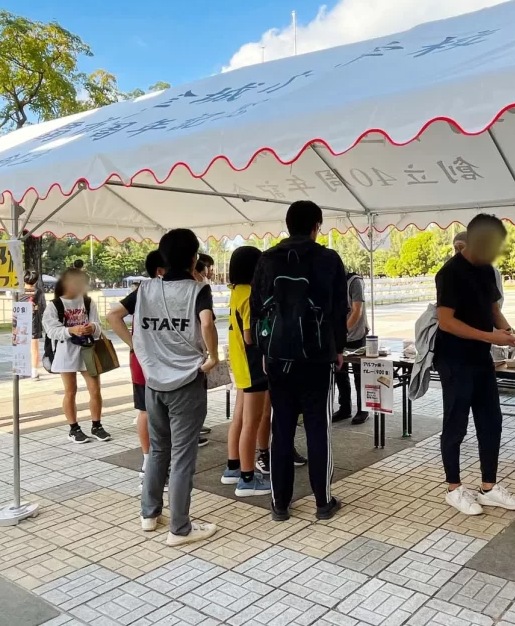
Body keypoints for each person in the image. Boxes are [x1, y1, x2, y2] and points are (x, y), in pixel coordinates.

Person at [107, 228, 219, 546]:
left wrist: (137, 347)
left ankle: (149, 513)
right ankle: (180, 528)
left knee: (158, 450)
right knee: (183, 456)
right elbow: (207, 322)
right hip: (187, 381)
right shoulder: (198, 290)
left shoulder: (145, 289)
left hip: (153, 382)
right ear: (194, 259)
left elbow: (113, 315)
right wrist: (213, 356)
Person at [251, 200, 347, 521]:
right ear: (316, 226)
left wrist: (264, 351)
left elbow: (257, 310)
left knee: (282, 428)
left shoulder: (267, 259)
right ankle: (323, 502)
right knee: (318, 429)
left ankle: (280, 504)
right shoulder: (329, 259)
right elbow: (339, 310)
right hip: (317, 358)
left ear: (288, 225)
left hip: (278, 357)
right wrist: (338, 349)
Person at [434, 214, 515, 516]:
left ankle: (488, 487)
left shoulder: (487, 270)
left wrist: (509, 333)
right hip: (454, 359)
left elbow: (493, 310)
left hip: (480, 358)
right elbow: (446, 322)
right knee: (456, 424)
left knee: (491, 421)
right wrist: (491, 336)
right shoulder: (449, 273)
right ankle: (454, 488)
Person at [108, 250, 167, 484]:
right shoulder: (145, 291)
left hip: (155, 361)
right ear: (160, 271)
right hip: (147, 363)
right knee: (147, 411)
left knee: (151, 411)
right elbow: (113, 316)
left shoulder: (161, 290)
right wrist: (135, 345)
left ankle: (153, 461)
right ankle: (148, 462)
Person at [220, 245, 273, 497]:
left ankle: (233, 467)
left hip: (240, 365)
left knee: (240, 419)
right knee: (252, 422)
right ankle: (247, 478)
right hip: (253, 365)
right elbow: (251, 336)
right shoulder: (251, 295)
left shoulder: (236, 291)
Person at [43, 267, 107, 444]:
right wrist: (71, 330)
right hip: (66, 352)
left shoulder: (88, 302)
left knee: (95, 389)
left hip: (88, 350)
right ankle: (74, 429)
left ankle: (97, 425)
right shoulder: (55, 305)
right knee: (70, 391)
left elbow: (98, 325)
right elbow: (51, 330)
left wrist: (92, 327)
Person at [333, 271, 370, 424]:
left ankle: (363, 410)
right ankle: (345, 408)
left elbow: (357, 311)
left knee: (359, 374)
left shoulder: (355, 282)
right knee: (340, 373)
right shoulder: (332, 282)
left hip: (356, 335)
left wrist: (342, 331)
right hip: (339, 335)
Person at [23, 271, 46, 379]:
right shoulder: (38, 292)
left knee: (21, 346)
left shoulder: (18, 292)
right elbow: (43, 307)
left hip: (19, 320)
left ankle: (21, 369)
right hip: (33, 321)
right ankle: (34, 372)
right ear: (36, 280)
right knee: (34, 348)